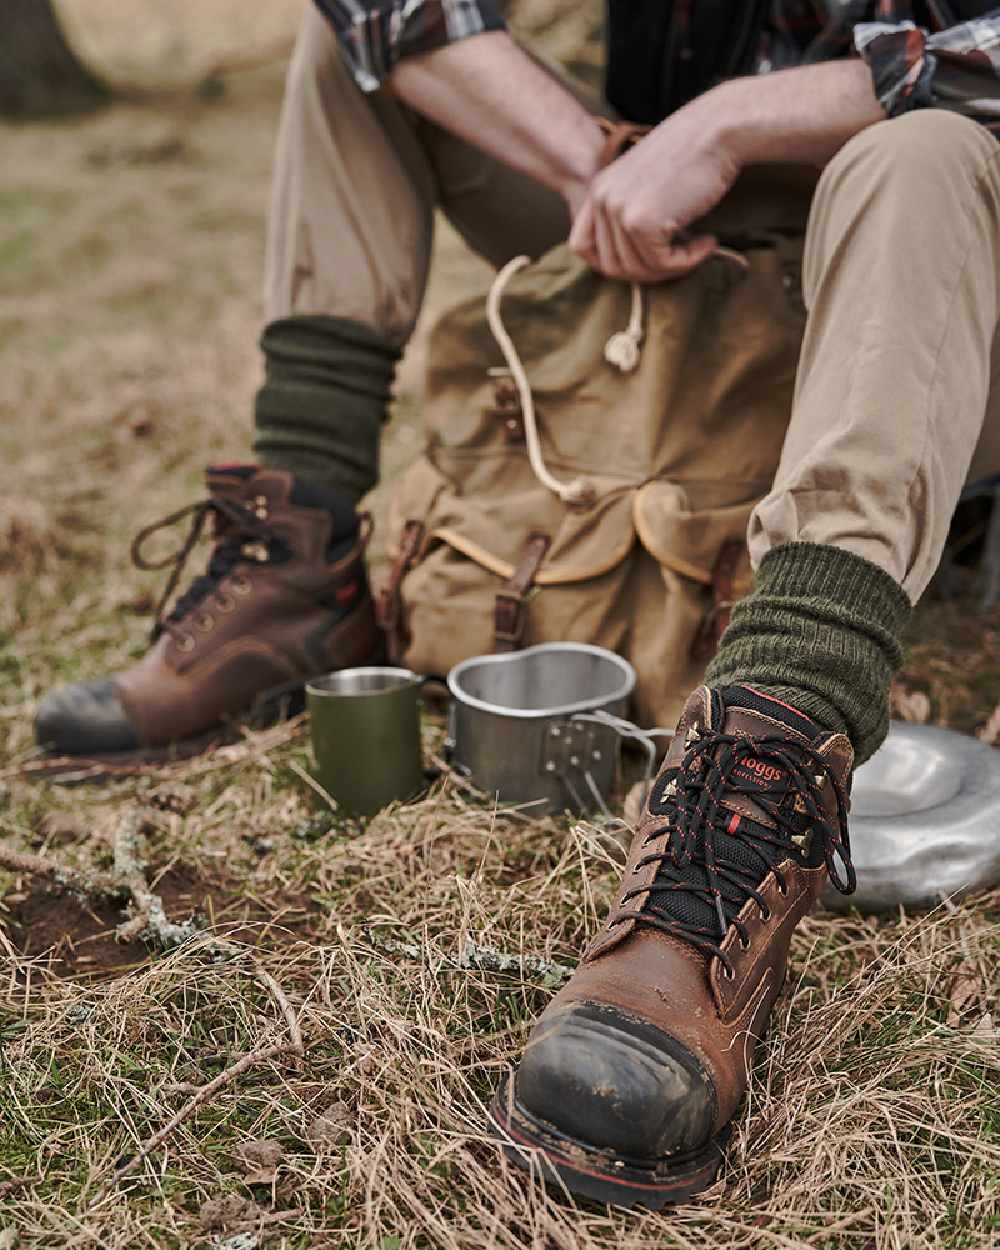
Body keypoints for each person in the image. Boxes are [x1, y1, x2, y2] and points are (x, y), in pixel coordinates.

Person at [35, 0, 1000, 1207]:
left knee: (927, 147)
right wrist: (594, 157)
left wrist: (728, 118)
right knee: (366, 53)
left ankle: (766, 759)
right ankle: (299, 572)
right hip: (680, 207)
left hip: (932, 244)